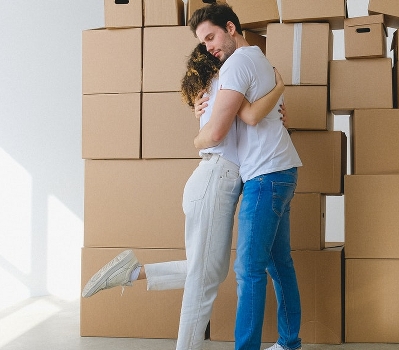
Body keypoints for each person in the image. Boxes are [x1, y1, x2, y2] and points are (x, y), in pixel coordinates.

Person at [81, 42, 286, 350]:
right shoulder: (223, 87)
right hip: (215, 180)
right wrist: (279, 88)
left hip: (213, 181)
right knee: (204, 282)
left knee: (209, 271)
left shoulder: (213, 91)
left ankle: (132, 271)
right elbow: (249, 118)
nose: (225, 53)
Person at [188, 4, 303, 350]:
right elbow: (252, 114)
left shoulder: (236, 63)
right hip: (281, 170)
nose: (208, 47)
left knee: (248, 270)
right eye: (203, 42)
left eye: (211, 37)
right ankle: (288, 343)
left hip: (265, 176)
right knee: (279, 264)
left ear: (231, 27)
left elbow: (219, 130)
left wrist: (196, 138)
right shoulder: (258, 58)